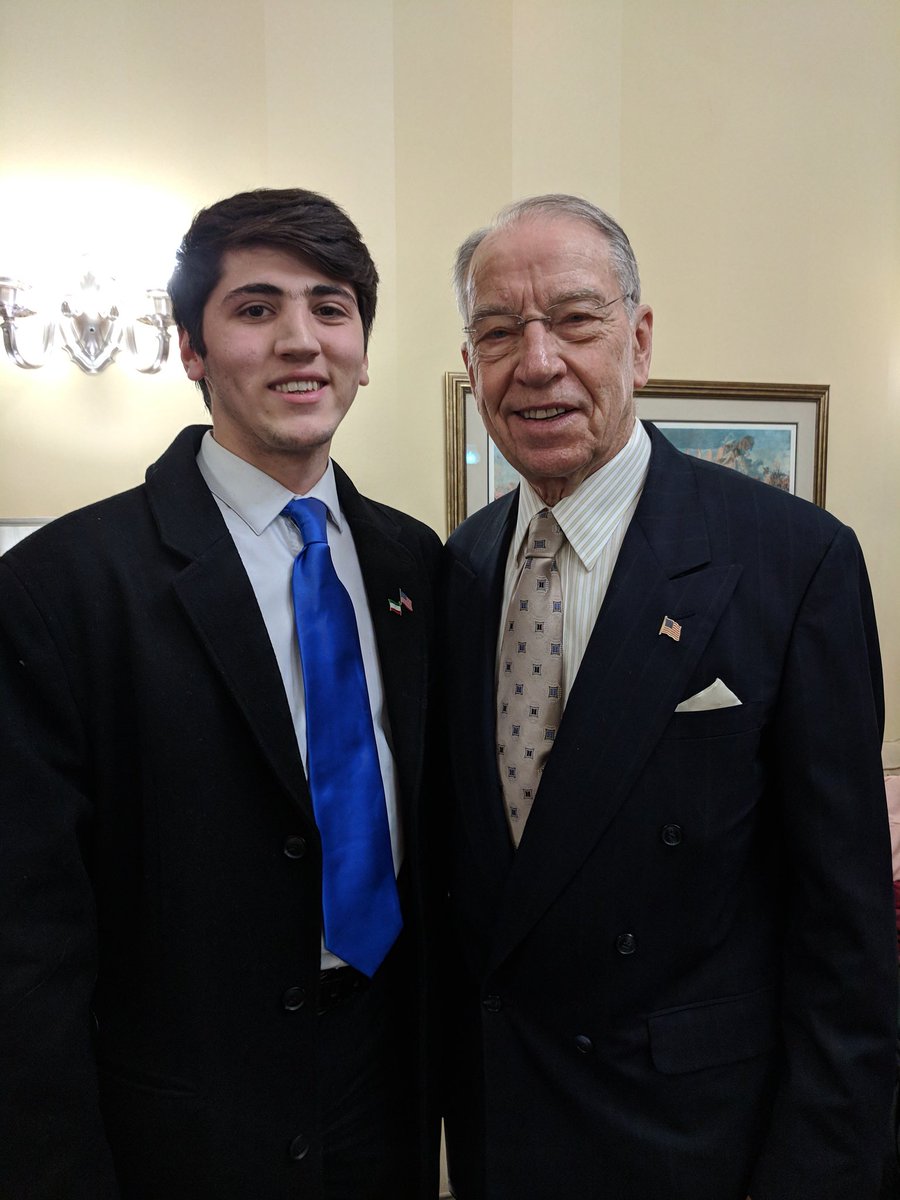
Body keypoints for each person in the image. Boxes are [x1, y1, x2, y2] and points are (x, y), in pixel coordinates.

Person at [440, 193, 897, 1200]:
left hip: (695, 1146)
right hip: (499, 1134)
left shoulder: (791, 561)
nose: (538, 359)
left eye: (574, 318)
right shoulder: (460, 570)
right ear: (472, 364)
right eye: (499, 329)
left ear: (637, 342)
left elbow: (847, 935)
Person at [0, 188, 442, 1199]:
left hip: (386, 1106)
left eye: (330, 308)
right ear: (191, 349)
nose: (302, 341)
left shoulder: (417, 566)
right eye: (256, 309)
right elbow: (27, 947)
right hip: (177, 1128)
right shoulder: (62, 587)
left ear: (364, 348)